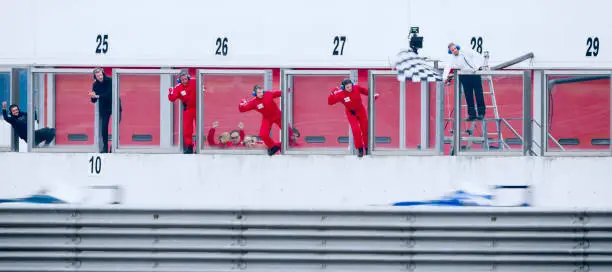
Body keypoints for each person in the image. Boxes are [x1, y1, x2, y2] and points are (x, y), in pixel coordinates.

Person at [327, 79, 379, 157]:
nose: (349, 88)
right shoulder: (340, 94)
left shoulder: (356, 88)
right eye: (347, 87)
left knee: (365, 129)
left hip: (360, 110)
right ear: (343, 87)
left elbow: (365, 91)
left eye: (350, 86)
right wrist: (333, 92)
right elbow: (330, 102)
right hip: (351, 113)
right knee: (356, 130)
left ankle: (367, 148)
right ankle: (360, 149)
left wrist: (373, 95)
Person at [238, 84, 294, 156]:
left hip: (278, 115)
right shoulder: (253, 102)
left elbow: (280, 93)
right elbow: (242, 109)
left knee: (289, 133)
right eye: (258, 93)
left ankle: (287, 146)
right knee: (263, 135)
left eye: (261, 92)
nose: (261, 94)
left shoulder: (268, 94)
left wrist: (289, 88)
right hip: (267, 118)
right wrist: (241, 103)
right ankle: (274, 147)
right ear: (254, 93)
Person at [443, 42, 486, 121]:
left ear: (457, 48)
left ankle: (481, 113)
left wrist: (478, 66)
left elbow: (476, 55)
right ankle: (472, 114)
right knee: (468, 95)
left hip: (474, 74)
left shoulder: (465, 51)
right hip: (464, 75)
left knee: (478, 93)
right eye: (452, 50)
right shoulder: (451, 58)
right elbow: (447, 67)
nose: (454, 51)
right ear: (450, 51)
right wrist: (444, 78)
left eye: (455, 49)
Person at [90, 67, 122, 153]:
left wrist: (98, 96)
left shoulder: (110, 80)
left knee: (115, 127)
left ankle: (113, 147)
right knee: (104, 128)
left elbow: (109, 94)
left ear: (103, 73)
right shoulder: (95, 85)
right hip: (105, 107)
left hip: (115, 105)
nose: (100, 77)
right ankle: (105, 147)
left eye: (100, 74)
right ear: (95, 76)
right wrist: (92, 96)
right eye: (97, 75)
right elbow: (94, 100)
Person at [168, 71, 199, 154]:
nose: (185, 81)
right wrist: (171, 91)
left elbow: (203, 87)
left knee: (199, 128)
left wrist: (203, 89)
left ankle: (198, 147)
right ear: (180, 80)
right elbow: (172, 98)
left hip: (198, 109)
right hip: (188, 109)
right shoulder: (178, 87)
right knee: (187, 130)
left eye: (186, 79)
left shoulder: (195, 81)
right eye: (182, 80)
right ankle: (189, 147)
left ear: (188, 78)